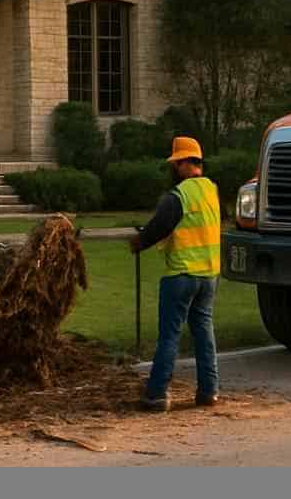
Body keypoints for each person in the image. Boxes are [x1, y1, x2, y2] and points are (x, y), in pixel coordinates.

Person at [129, 135, 221, 411]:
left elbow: (159, 227)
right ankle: (209, 392)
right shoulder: (211, 191)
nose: (173, 169)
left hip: (181, 274)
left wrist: (139, 243)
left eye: (175, 163)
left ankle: (157, 394)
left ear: (183, 164)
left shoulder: (178, 195)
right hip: (209, 276)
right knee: (204, 333)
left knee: (169, 335)